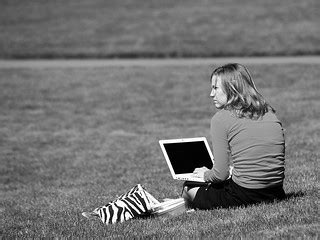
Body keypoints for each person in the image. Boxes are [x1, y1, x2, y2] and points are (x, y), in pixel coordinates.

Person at [182, 63, 286, 210]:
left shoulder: (221, 119)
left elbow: (220, 175)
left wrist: (205, 174)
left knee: (189, 187)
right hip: (276, 192)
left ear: (231, 88)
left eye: (215, 88)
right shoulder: (269, 113)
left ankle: (184, 206)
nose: (211, 94)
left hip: (245, 194)